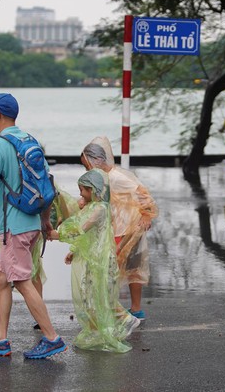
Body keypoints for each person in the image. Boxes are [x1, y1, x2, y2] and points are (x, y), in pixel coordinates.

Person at [0, 92, 67, 359]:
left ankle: (52, 338)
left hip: (14, 227)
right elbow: (46, 185)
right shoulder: (29, 140)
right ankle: (0, 340)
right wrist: (43, 222)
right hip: (31, 224)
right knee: (2, 277)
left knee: (21, 281)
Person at [48, 168, 140, 352]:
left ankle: (127, 320)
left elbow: (82, 229)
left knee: (100, 295)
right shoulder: (92, 207)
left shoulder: (100, 209)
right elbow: (86, 236)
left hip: (100, 259)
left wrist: (58, 235)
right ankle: (94, 330)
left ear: (93, 189)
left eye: (83, 189)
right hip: (92, 256)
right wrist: (74, 250)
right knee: (90, 294)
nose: (80, 193)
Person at [81, 136, 158, 321]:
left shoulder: (116, 176)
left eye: (87, 165)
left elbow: (142, 192)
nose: (87, 169)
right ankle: (111, 306)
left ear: (97, 160)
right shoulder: (102, 178)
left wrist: (147, 215)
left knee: (132, 269)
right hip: (116, 228)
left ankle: (134, 308)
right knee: (113, 270)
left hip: (129, 229)